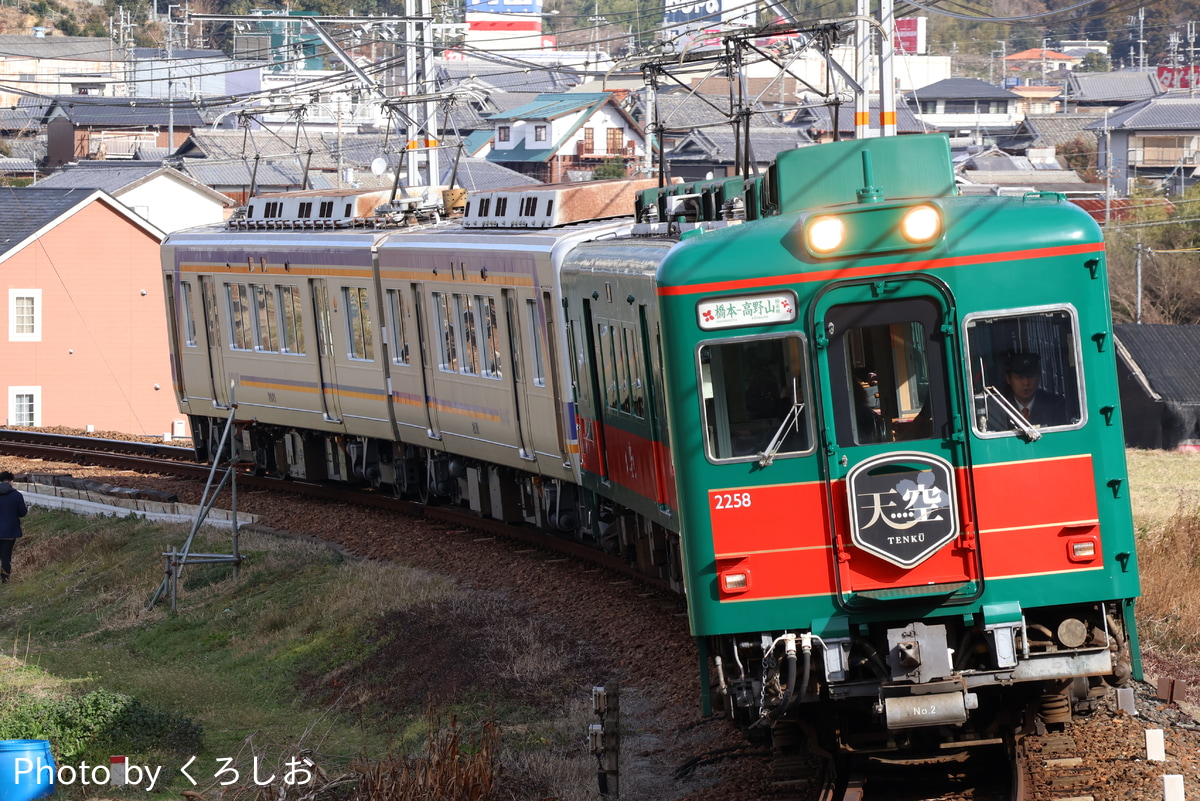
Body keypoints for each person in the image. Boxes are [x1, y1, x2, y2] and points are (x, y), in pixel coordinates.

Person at [990, 352, 1069, 430]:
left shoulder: (1054, 405)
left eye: (1030, 377)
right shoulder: (1000, 407)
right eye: (1020, 378)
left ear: (1038, 377)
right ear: (1008, 379)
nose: (1026, 383)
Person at [0, 470, 26, 583]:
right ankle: (5, 579)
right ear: (11, 481)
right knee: (6, 556)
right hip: (10, 532)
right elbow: (22, 513)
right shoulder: (17, 495)